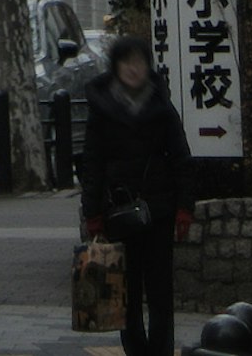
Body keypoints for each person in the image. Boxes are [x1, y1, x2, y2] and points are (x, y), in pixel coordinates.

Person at [76, 29, 197, 356]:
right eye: (127, 62)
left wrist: (185, 207)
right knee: (122, 291)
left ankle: (161, 351)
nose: (134, 69)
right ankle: (136, 351)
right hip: (118, 212)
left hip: (158, 210)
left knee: (160, 293)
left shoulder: (161, 104)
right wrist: (93, 214)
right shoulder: (102, 108)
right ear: (116, 66)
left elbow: (182, 158)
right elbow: (93, 165)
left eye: (140, 62)